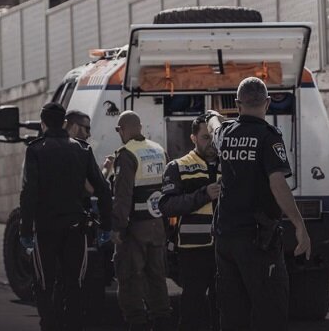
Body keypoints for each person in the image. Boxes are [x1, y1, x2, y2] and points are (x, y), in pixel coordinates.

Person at [206, 77, 311, 331]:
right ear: (267, 103)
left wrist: (212, 115)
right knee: (270, 311)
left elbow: (213, 126)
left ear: (238, 104)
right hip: (257, 242)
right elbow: (277, 183)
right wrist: (299, 225)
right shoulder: (268, 137)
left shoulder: (226, 133)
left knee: (232, 315)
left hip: (226, 240)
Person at [19, 102, 112, 331]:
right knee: (75, 284)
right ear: (63, 123)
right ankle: (72, 324)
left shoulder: (36, 149)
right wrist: (105, 226)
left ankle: (48, 324)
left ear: (42, 124)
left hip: (46, 229)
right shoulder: (82, 149)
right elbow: (102, 189)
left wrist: (25, 230)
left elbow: (29, 193)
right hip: (75, 229)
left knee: (44, 283)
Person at [159, 115, 221, 331]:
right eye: (205, 137)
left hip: (226, 248)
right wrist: (203, 195)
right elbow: (166, 205)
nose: (211, 141)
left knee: (224, 305)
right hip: (193, 251)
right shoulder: (178, 167)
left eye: (214, 136)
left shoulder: (231, 165)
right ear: (193, 137)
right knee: (192, 306)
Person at [111, 110, 171, 331]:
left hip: (135, 228)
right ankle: (162, 321)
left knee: (129, 277)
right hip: (157, 227)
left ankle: (137, 323)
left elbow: (123, 195)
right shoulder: (159, 150)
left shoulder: (126, 154)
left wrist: (117, 227)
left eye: (118, 130)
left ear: (124, 129)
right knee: (157, 276)